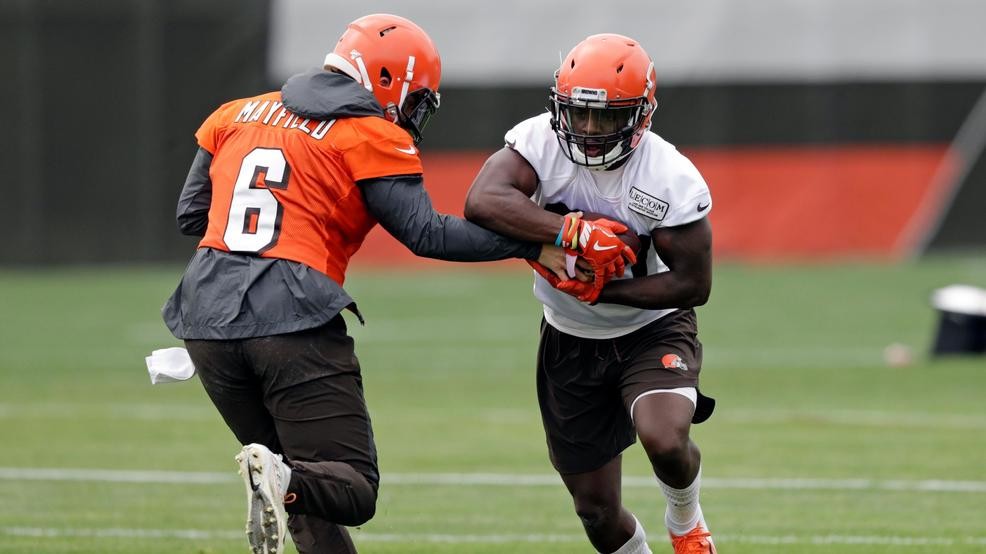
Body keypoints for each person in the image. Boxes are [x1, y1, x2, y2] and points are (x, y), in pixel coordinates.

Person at [160, 14, 608, 554]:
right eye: (416, 99)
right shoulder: (367, 133)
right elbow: (427, 233)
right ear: (387, 78)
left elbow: (192, 214)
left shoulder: (234, 113)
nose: (415, 113)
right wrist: (533, 243)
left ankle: (282, 479)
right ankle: (282, 478)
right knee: (350, 487)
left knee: (300, 488)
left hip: (204, 318)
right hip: (291, 315)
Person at [464, 33, 717, 553]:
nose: (588, 129)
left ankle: (687, 520)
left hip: (651, 329)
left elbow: (694, 284)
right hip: (568, 338)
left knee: (665, 440)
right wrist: (572, 233)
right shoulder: (537, 142)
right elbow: (482, 200)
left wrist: (603, 290)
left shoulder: (669, 176)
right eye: (578, 113)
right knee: (596, 512)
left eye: (605, 117)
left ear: (641, 115)